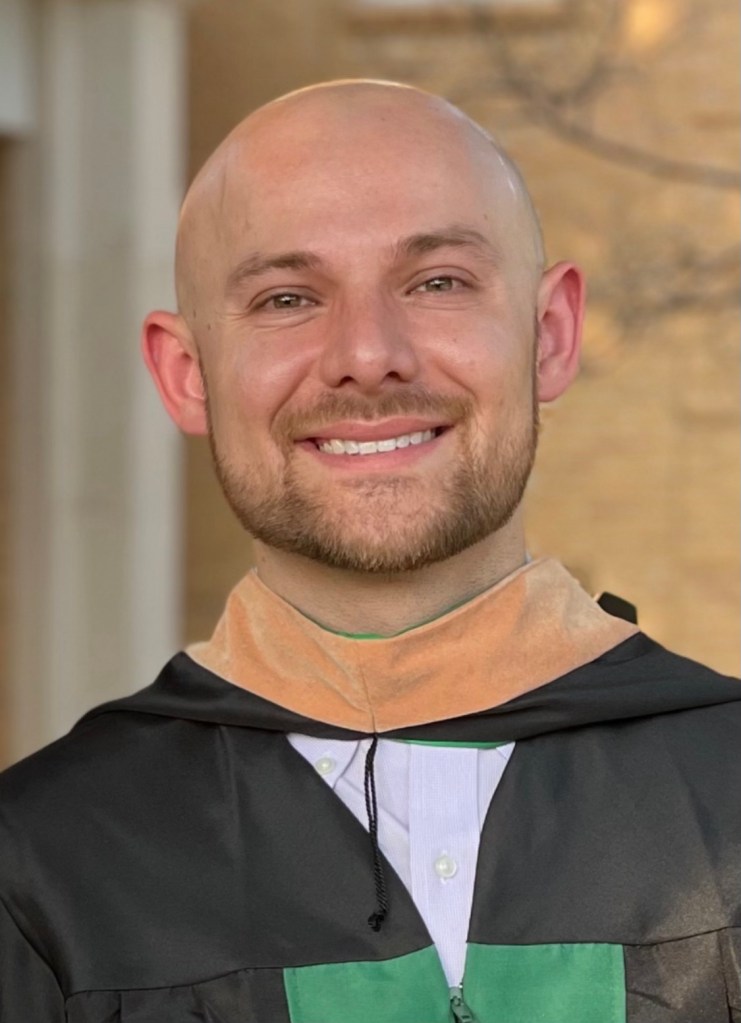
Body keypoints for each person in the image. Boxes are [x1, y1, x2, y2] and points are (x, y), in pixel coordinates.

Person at [0, 80, 739, 1023]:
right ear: (186, 376)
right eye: (286, 297)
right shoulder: (46, 866)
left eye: (436, 282)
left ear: (549, 334)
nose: (366, 353)